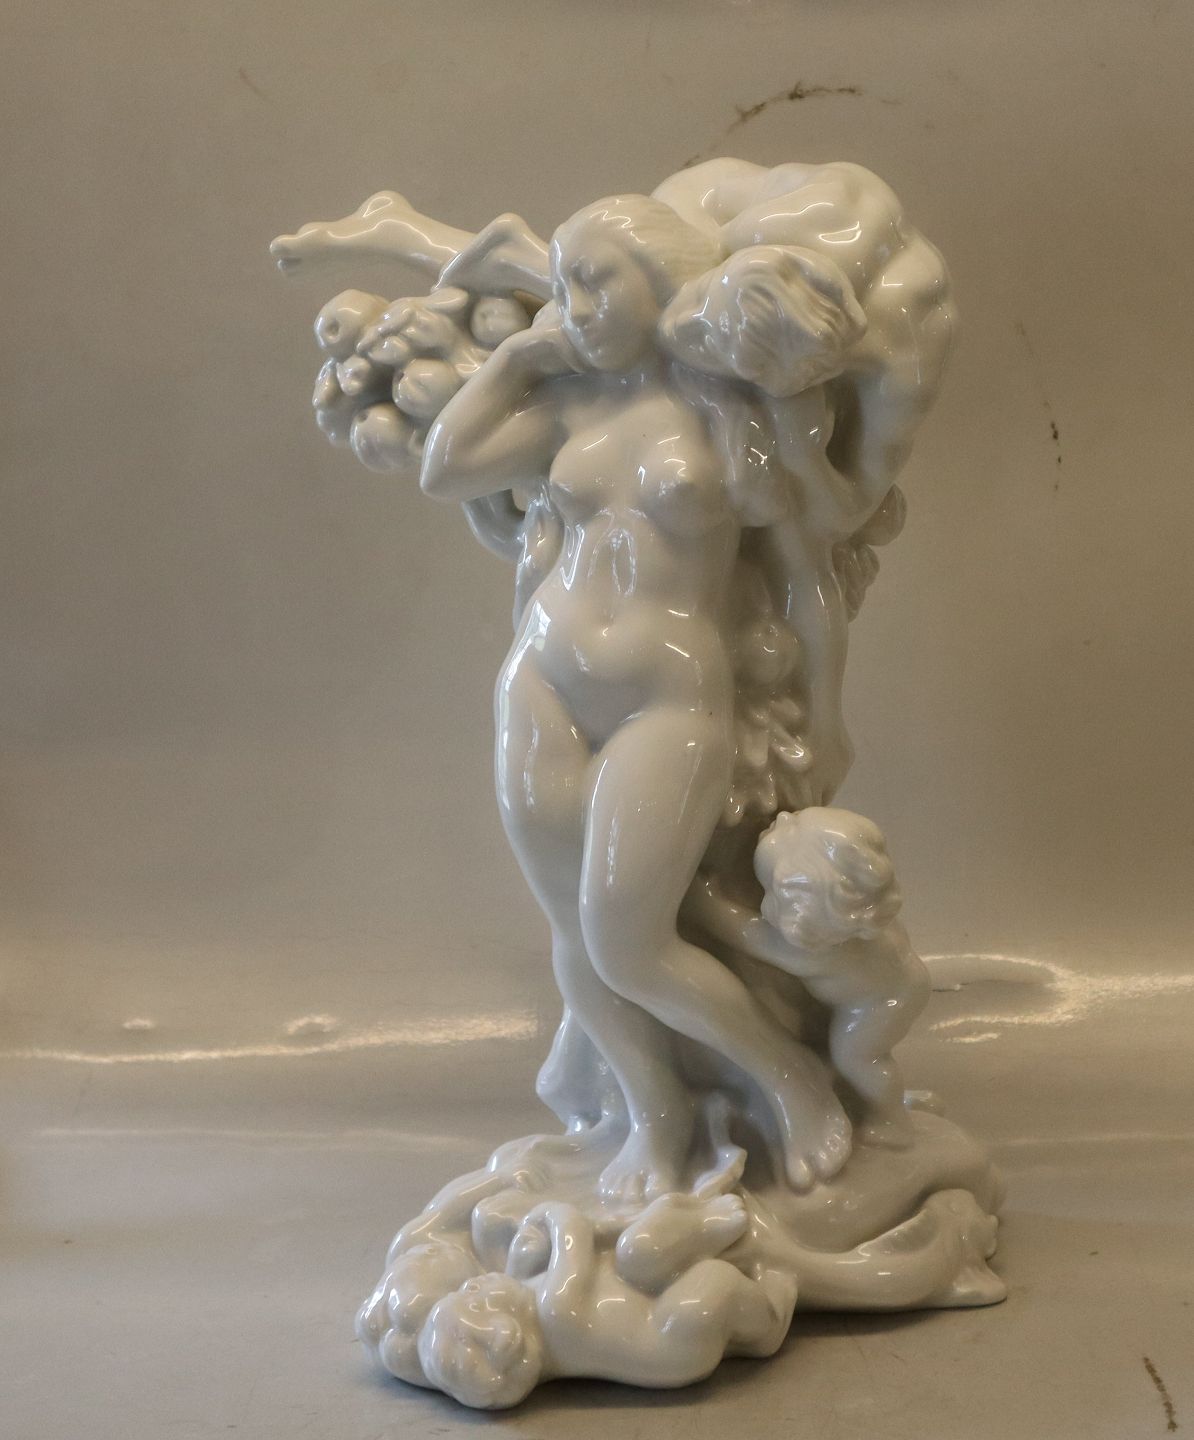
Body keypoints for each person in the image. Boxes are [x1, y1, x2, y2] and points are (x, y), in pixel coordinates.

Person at [420, 195, 856, 1200]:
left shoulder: (732, 409)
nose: (574, 308)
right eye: (562, 286)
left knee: (629, 941)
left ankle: (791, 1079)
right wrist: (515, 361)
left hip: (667, 698)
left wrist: (823, 710)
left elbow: (809, 571)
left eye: (593, 281)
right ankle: (654, 1121)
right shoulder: (567, 404)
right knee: (576, 935)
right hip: (543, 680)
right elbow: (446, 469)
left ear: (659, 278)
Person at [687, 807, 931, 1147]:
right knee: (861, 1058)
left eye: (767, 887)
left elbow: (742, 932)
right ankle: (878, 1096)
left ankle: (891, 1119)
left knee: (857, 1058)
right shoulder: (862, 913)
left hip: (878, 1005)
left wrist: (700, 899)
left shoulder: (813, 951)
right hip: (904, 981)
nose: (785, 818)